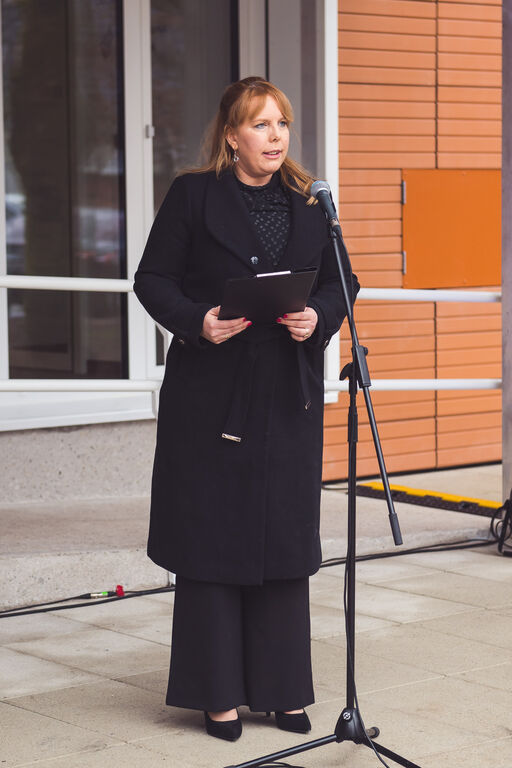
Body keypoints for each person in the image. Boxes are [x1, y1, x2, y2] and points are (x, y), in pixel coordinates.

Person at [134, 76, 359, 742]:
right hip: (212, 397)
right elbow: (152, 279)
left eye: (281, 123)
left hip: (287, 397)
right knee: (213, 541)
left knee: (283, 541)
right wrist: (197, 322)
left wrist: (318, 316)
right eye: (260, 124)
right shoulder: (193, 194)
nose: (275, 135)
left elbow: (342, 282)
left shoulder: (311, 201)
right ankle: (218, 695)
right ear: (232, 136)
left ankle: (281, 690)